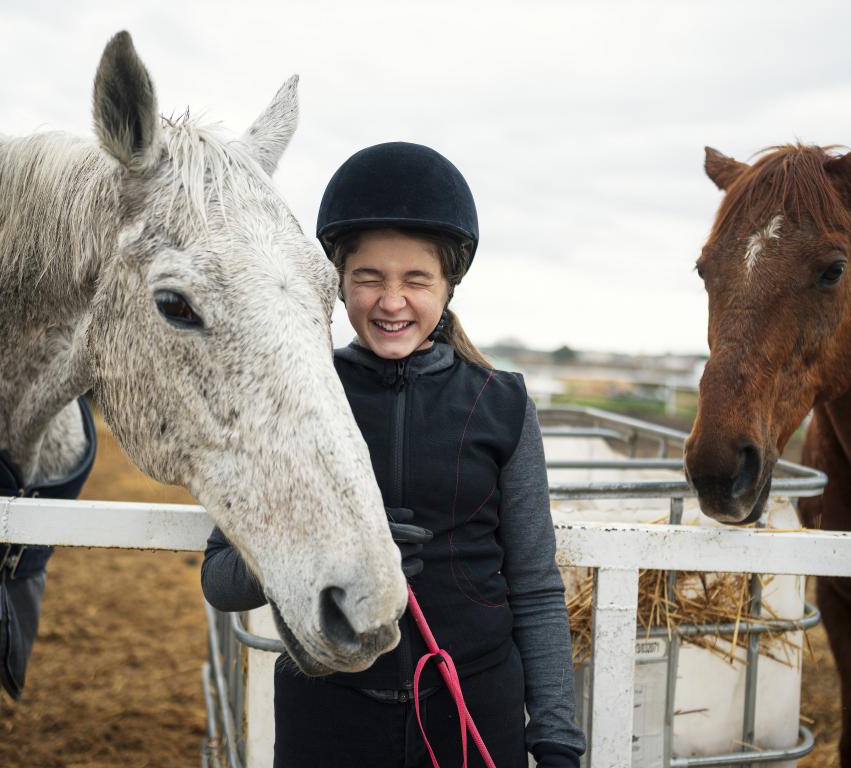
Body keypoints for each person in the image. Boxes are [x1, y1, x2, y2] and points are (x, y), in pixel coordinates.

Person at [201, 142, 585, 768]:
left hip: (472, 710)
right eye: (369, 278)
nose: (391, 301)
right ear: (338, 281)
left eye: (416, 280)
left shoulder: (503, 404)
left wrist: (556, 738)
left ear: (448, 285)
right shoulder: (288, 397)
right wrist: (324, 552)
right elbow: (220, 580)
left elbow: (537, 587)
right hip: (328, 717)